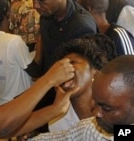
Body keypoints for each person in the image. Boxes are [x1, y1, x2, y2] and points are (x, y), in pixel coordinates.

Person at [30, 55, 134, 140]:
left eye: (107, 108)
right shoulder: (94, 129)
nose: (96, 113)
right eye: (96, 103)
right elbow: (66, 137)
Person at [32, 0, 97, 132]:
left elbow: (74, 80)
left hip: (72, 102)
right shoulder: (46, 17)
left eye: (41, 1)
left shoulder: (81, 25)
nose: (35, 6)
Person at [0, 0, 42, 106]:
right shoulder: (14, 41)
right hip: (17, 106)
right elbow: (35, 71)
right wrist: (40, 42)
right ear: (8, 14)